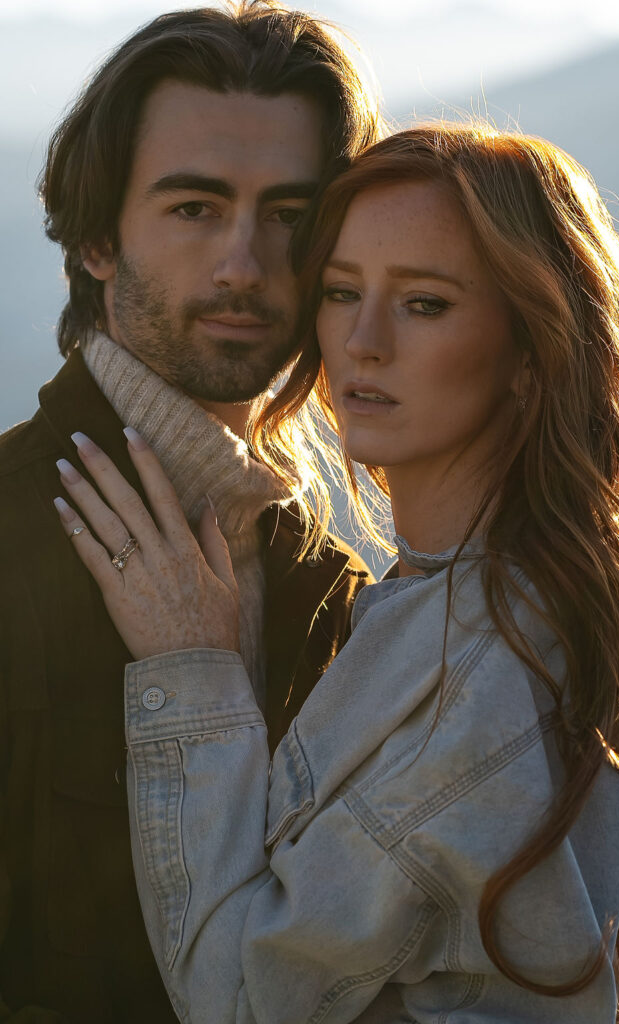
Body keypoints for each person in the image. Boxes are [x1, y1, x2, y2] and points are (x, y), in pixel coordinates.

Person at [56, 123, 619, 1022]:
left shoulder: (480, 667)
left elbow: (241, 1003)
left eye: (424, 304)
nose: (363, 341)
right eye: (342, 293)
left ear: (530, 351)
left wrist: (190, 671)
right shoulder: (464, 598)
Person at [0, 4, 383, 1020]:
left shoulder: (332, 582)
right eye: (193, 208)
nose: (244, 265)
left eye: (290, 216)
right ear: (94, 237)